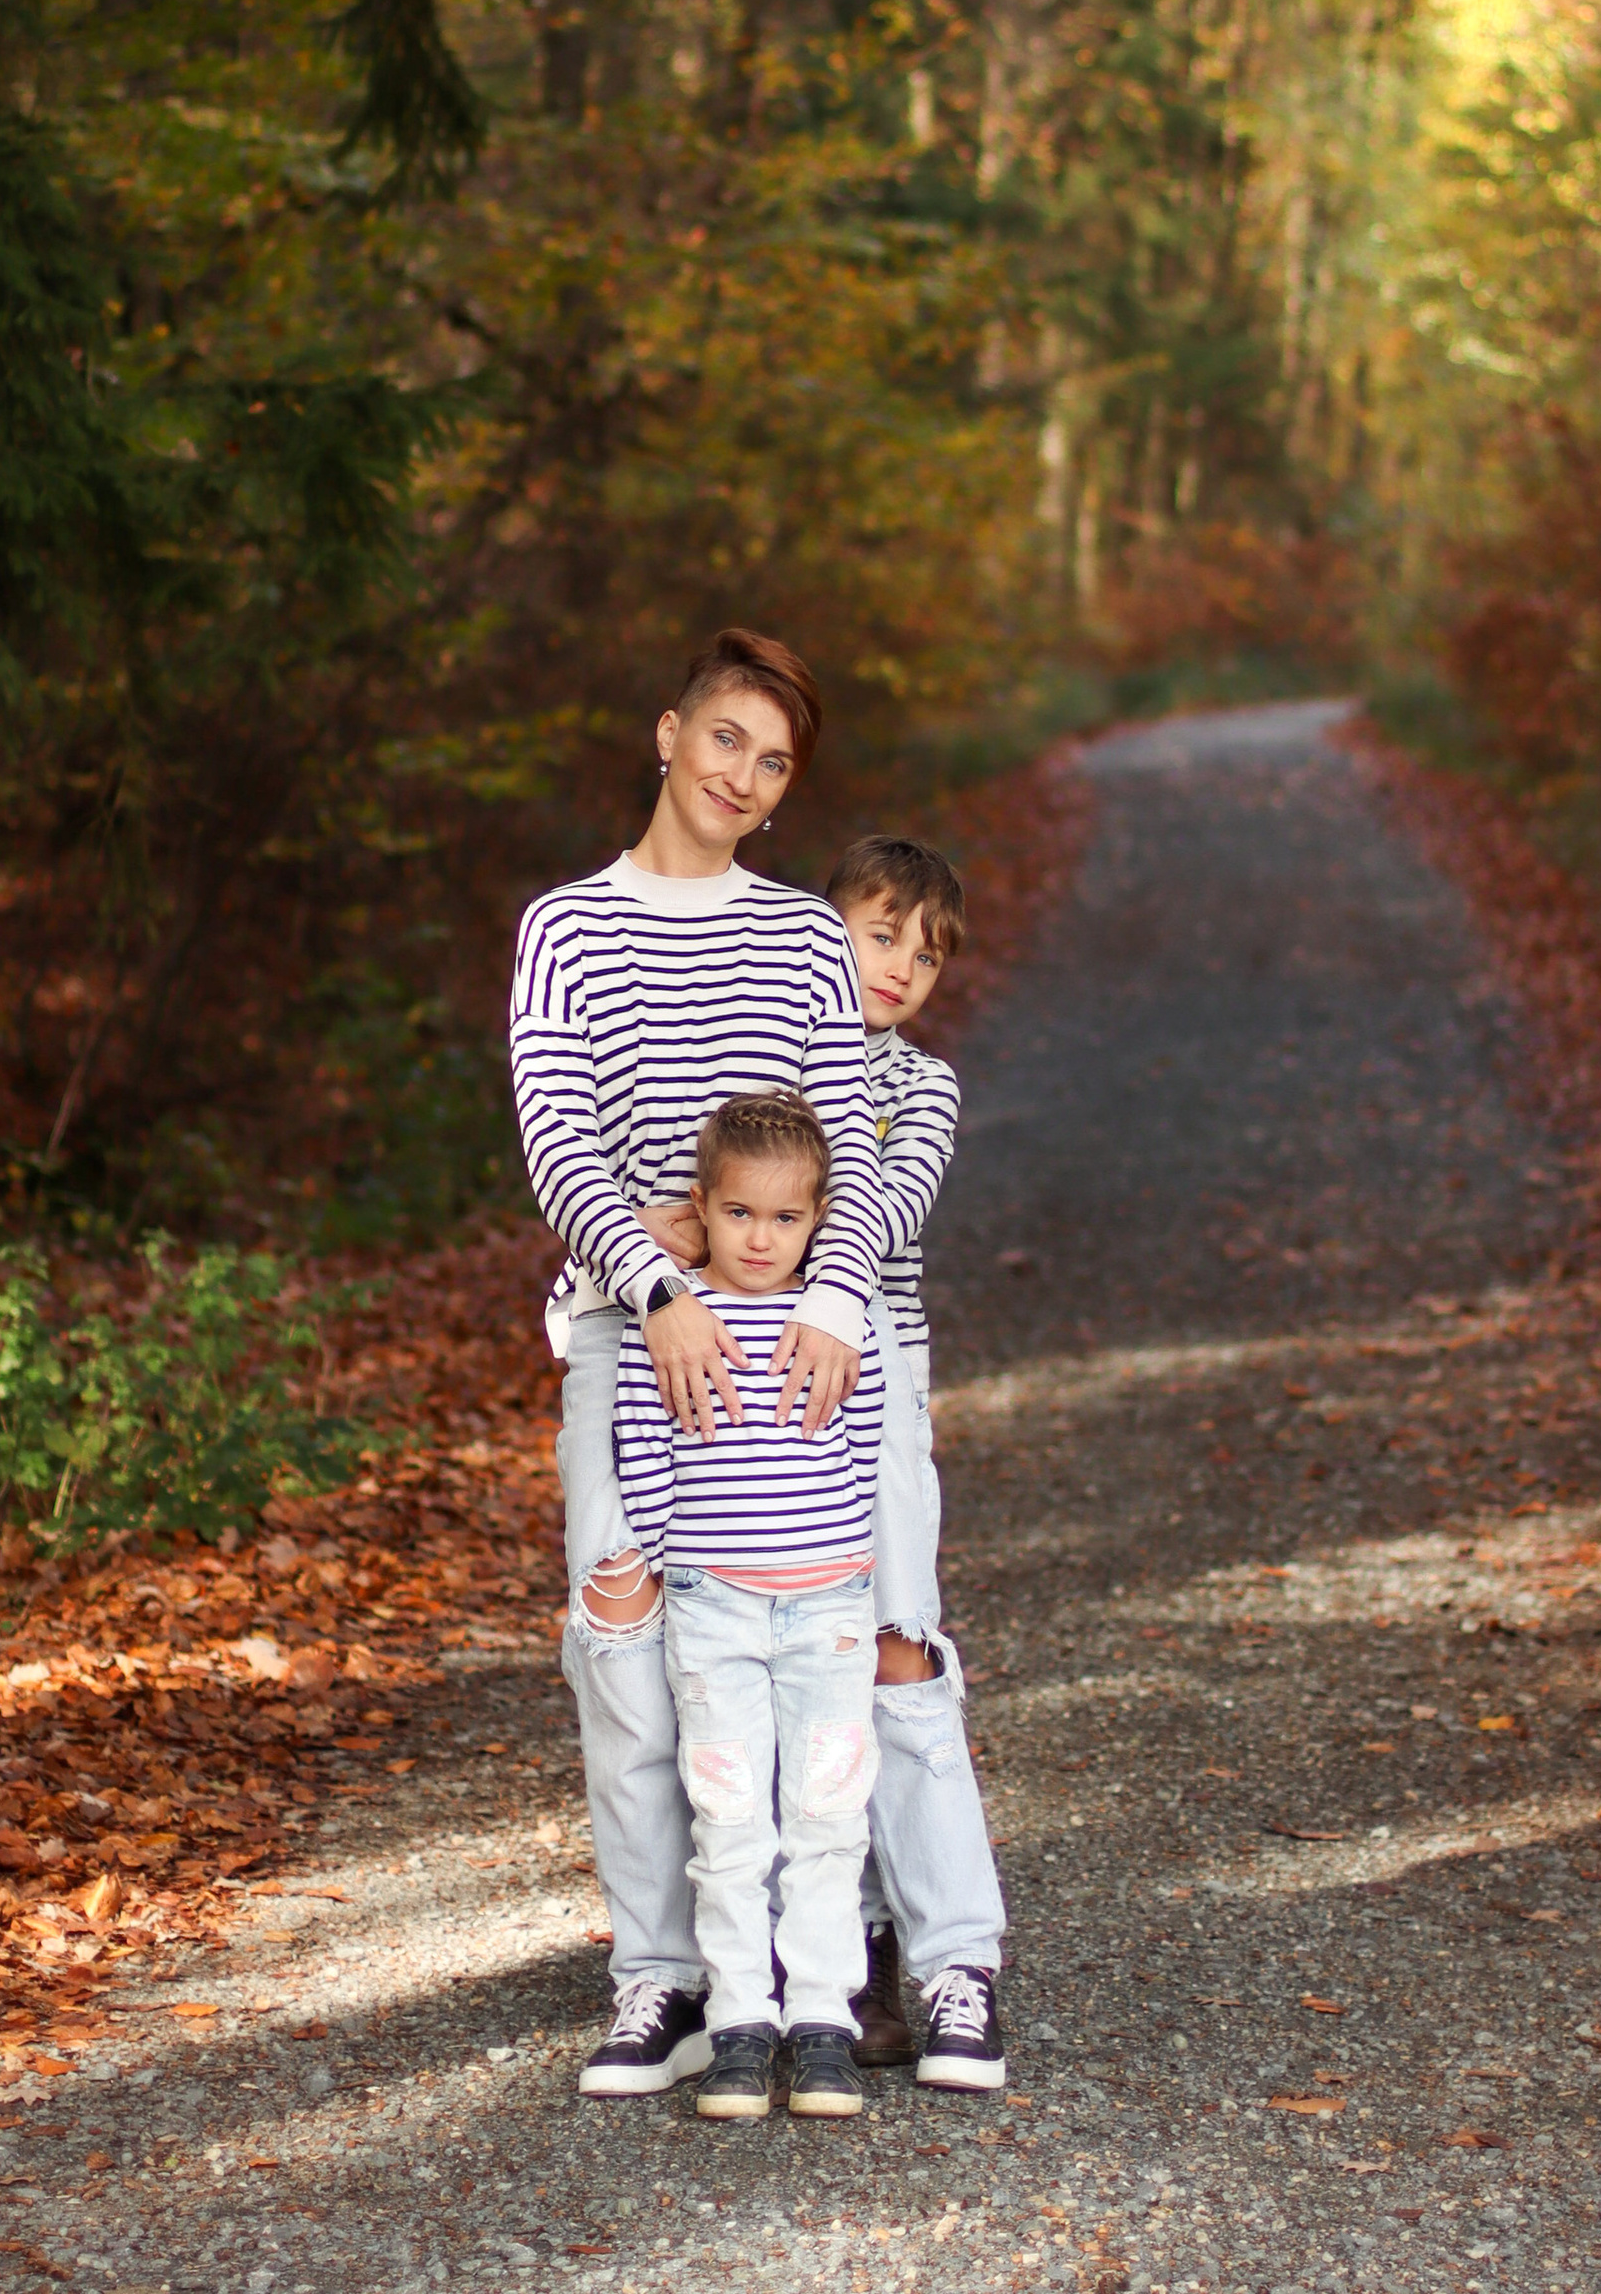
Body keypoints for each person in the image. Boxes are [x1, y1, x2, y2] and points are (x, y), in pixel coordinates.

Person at [508, 630, 888, 2099]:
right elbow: (558, 1137)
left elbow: (844, 1143)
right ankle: (661, 1978)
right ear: (669, 734)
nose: (742, 774)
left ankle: (800, 1969)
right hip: (629, 1329)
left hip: (795, 1345)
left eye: (774, 760)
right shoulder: (567, 926)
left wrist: (838, 1305)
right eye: (726, 738)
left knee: (803, 1652)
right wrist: (655, 1282)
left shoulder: (801, 938)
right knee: (626, 1650)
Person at [613, 1093, 886, 2120]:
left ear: (816, 1220)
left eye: (784, 1218)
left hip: (827, 1607)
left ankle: (822, 2020)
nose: (760, 1239)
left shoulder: (834, 1324)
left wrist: (849, 1571)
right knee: (728, 1820)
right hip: (713, 1607)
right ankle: (739, 2023)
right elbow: (644, 1456)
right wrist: (669, 1566)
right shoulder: (675, 1316)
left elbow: (860, 1452)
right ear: (703, 1207)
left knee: (823, 1816)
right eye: (738, 1215)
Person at [828, 836, 1009, 2091]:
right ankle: (838, 1950)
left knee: (895, 1647)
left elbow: (884, 1212)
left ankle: (953, 1956)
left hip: (875, 1371)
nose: (901, 966)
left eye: (927, 950)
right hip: (743, 1384)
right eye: (881, 930)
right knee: (782, 1666)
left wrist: (769, 1227)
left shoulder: (920, 1088)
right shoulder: (754, 1043)